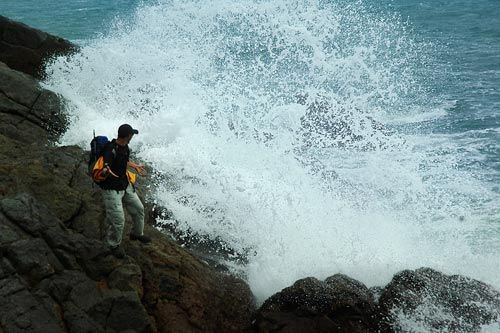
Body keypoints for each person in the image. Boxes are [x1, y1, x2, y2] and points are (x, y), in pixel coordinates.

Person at [97, 124, 151, 258]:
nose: (132, 136)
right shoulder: (110, 149)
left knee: (138, 209)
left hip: (124, 184)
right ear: (128, 136)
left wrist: (136, 166)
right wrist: (105, 170)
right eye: (132, 134)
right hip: (111, 189)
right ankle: (113, 245)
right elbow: (106, 164)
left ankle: (137, 234)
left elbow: (125, 160)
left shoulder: (125, 147)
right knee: (118, 220)